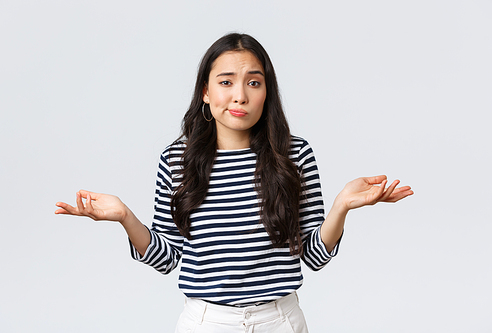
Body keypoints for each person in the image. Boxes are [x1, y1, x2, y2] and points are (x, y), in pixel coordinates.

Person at [55, 33, 413, 333]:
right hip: (207, 323)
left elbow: (313, 256)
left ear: (266, 92)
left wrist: (341, 208)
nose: (239, 95)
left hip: (280, 321)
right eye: (226, 82)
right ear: (205, 93)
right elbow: (168, 259)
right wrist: (124, 217)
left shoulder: (295, 155)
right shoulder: (177, 161)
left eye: (253, 83)